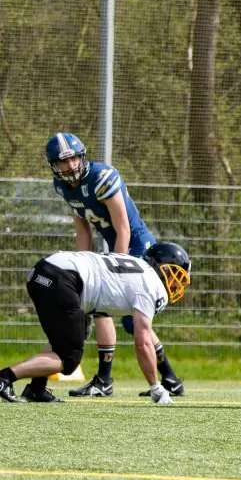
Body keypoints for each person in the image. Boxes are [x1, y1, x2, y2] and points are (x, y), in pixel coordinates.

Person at [45, 133, 184, 398]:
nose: (70, 165)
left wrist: (116, 269)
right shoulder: (63, 186)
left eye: (73, 157)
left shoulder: (101, 177)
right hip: (115, 245)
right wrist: (81, 270)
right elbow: (82, 230)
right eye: (63, 161)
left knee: (130, 320)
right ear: (54, 164)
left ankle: (142, 379)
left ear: (82, 156)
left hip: (135, 245)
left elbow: (123, 228)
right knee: (101, 305)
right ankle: (166, 379)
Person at [0, 242, 190, 405]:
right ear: (160, 265)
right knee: (68, 359)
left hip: (47, 270)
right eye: (176, 275)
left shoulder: (137, 267)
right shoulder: (152, 284)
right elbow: (143, 342)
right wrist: (156, 386)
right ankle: (5, 377)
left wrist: (84, 318)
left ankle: (36, 388)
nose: (176, 285)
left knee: (64, 341)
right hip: (62, 278)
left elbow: (99, 283)